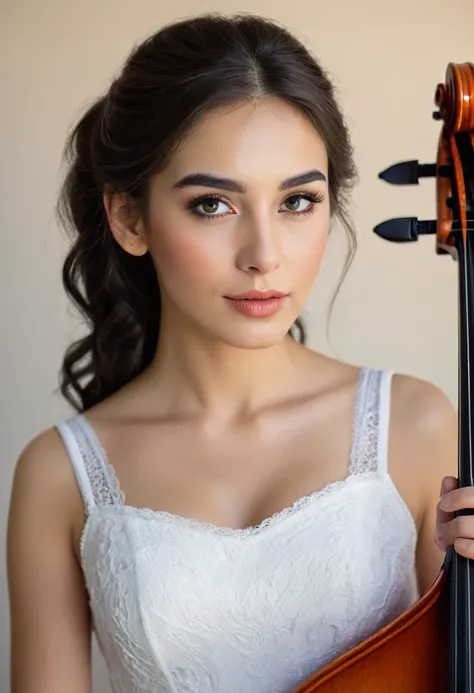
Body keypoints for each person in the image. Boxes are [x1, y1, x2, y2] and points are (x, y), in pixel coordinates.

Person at [6, 11, 474, 693]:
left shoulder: (418, 422)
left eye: (297, 201)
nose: (263, 255)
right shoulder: (57, 473)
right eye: (212, 206)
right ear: (129, 218)